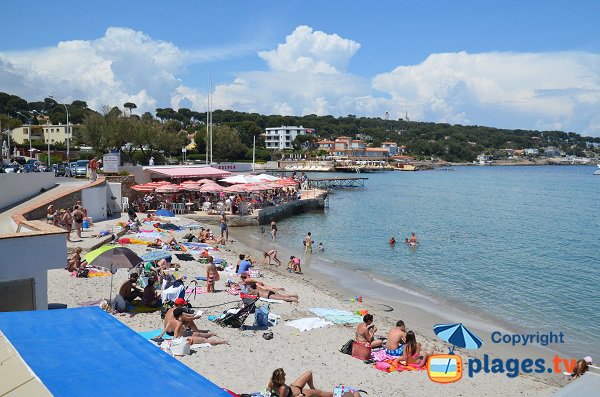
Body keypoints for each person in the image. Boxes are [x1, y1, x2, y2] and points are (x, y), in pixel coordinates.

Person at [268, 368, 360, 397]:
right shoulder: (283, 388)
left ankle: (312, 388)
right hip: (299, 393)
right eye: (284, 375)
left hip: (294, 387)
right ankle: (338, 394)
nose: (285, 375)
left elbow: (267, 392)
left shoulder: (272, 382)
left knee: (308, 373)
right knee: (321, 393)